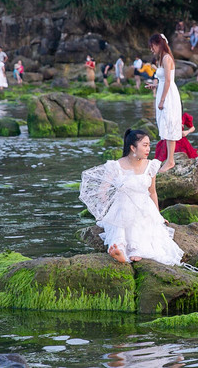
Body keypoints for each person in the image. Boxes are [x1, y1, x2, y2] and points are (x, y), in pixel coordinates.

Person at [79, 129, 184, 265]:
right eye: (144, 145)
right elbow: (102, 191)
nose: (148, 149)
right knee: (122, 219)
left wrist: (158, 215)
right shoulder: (116, 166)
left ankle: (136, 250)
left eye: (149, 145)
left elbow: (152, 192)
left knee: (147, 225)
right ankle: (120, 250)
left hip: (145, 208)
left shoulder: (150, 165)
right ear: (133, 148)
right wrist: (109, 210)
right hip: (122, 207)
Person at [146, 34, 182, 173]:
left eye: (152, 46)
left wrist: (162, 100)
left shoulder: (167, 58)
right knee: (164, 124)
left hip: (168, 95)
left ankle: (170, 160)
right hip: (162, 91)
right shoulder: (161, 59)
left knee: (170, 123)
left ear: (159, 44)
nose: (151, 49)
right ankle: (169, 158)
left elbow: (168, 80)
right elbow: (161, 80)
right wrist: (153, 86)